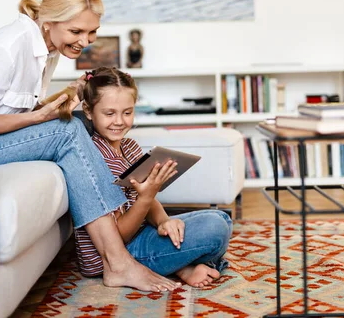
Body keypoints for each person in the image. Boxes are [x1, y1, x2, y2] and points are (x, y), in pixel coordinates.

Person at [0, 0, 180, 293]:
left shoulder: (46, 50)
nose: (85, 40)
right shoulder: (9, 47)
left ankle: (120, 236)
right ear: (48, 20)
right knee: (72, 129)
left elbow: (22, 114)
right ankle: (117, 261)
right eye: (76, 31)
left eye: (92, 31)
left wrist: (59, 101)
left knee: (78, 122)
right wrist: (41, 115)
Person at [77, 67, 232, 288]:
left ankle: (181, 265)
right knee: (214, 229)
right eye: (109, 113)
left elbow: (149, 202)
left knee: (222, 219)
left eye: (127, 112)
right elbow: (119, 237)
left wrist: (164, 222)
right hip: (118, 254)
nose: (119, 121)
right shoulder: (95, 158)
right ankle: (183, 267)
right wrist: (146, 196)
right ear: (89, 111)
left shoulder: (129, 147)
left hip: (142, 234)